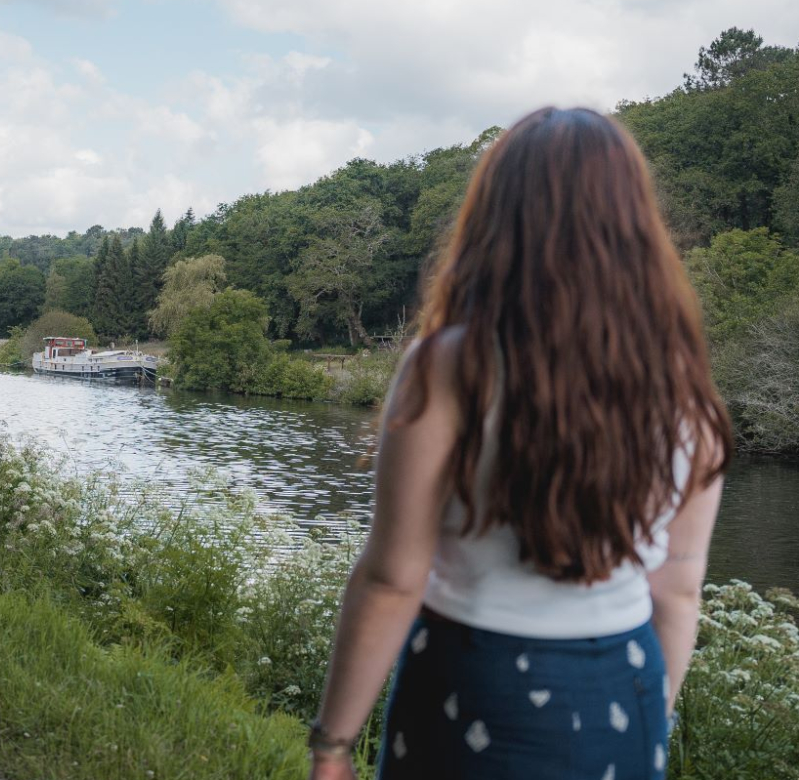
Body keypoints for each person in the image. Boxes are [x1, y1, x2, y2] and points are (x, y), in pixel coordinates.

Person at [305, 107, 734, 780]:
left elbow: (393, 579)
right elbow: (677, 592)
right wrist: (651, 720)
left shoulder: (449, 366)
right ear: (634, 226)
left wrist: (332, 746)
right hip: (623, 693)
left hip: (470, 687)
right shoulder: (683, 387)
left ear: (497, 221)